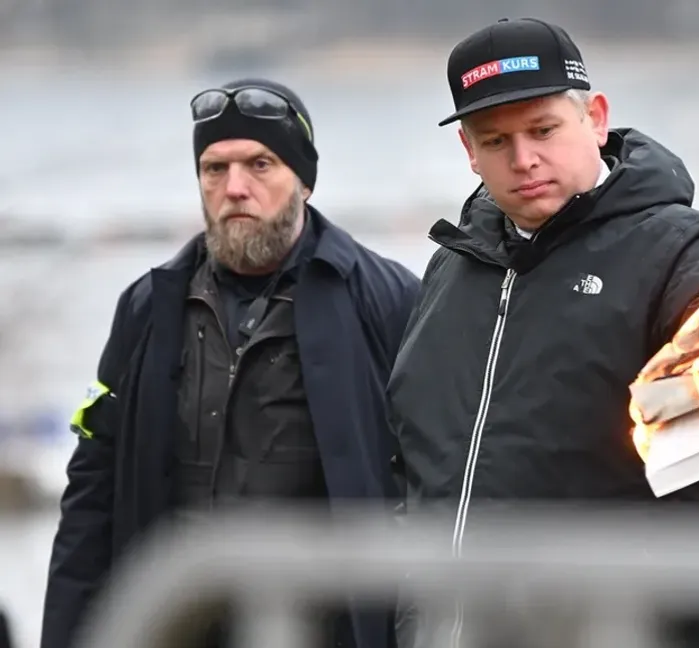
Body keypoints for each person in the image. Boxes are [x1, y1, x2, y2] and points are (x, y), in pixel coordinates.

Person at [385, 18, 699, 648]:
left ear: (596, 119)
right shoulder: (452, 268)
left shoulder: (683, 247)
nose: (523, 158)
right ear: (469, 151)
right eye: (496, 141)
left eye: (543, 129)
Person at [42, 78, 420, 648]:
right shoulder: (149, 307)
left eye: (260, 165)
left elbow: (433, 483)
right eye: (214, 169)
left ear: (304, 181)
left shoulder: (386, 299)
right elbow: (92, 488)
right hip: (175, 623)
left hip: (323, 626)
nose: (235, 188)